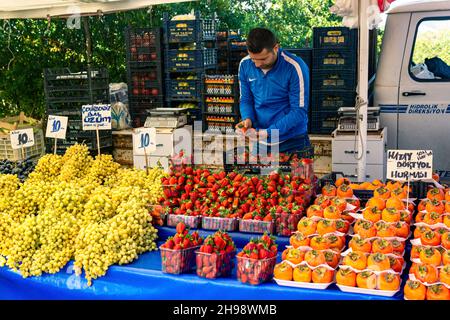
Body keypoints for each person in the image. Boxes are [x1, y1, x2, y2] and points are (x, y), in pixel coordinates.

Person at [235, 27, 311, 157]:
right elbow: (246, 99)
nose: (257, 64)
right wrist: (248, 119)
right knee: (259, 177)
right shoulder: (245, 65)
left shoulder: (295, 67)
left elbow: (298, 111)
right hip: (260, 142)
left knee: (298, 178)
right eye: (254, 59)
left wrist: (269, 132)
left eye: (263, 59)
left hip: (292, 142)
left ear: (276, 48)